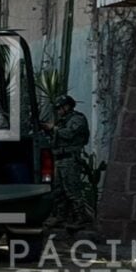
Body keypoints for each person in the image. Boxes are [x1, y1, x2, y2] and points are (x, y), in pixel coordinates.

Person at [42, 95, 91, 227]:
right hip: (59, 159)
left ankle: (81, 217)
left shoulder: (77, 119)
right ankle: (61, 217)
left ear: (67, 106)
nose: (58, 111)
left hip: (70, 159)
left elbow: (69, 134)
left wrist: (53, 129)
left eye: (60, 108)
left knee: (72, 190)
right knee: (59, 191)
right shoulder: (62, 121)